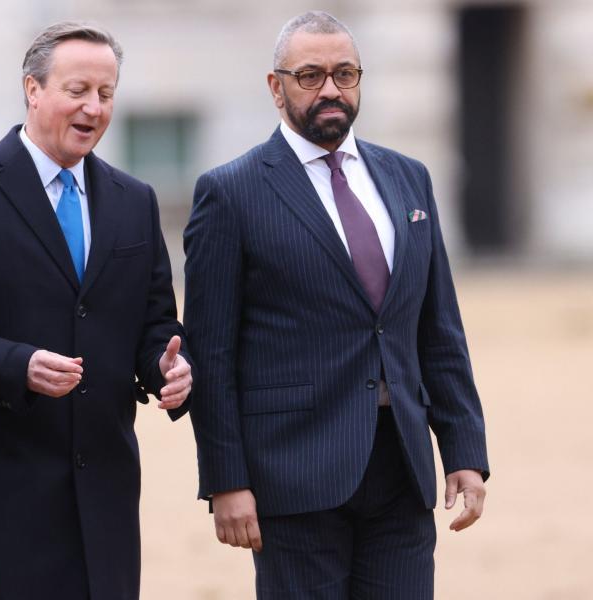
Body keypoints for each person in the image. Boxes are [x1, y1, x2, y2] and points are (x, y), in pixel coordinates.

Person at [183, 11, 489, 599]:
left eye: (345, 74)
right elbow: (212, 353)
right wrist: (226, 481)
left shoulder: (409, 179)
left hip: (401, 469)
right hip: (291, 478)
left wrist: (464, 450)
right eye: (311, 75)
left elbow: (438, 328)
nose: (331, 89)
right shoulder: (230, 192)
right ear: (276, 87)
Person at [0, 21, 193, 600]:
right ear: (32, 89)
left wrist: (170, 367)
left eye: (107, 94)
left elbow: (154, 324)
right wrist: (18, 364)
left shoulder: (134, 201)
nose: (94, 107)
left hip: (107, 497)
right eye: (78, 90)